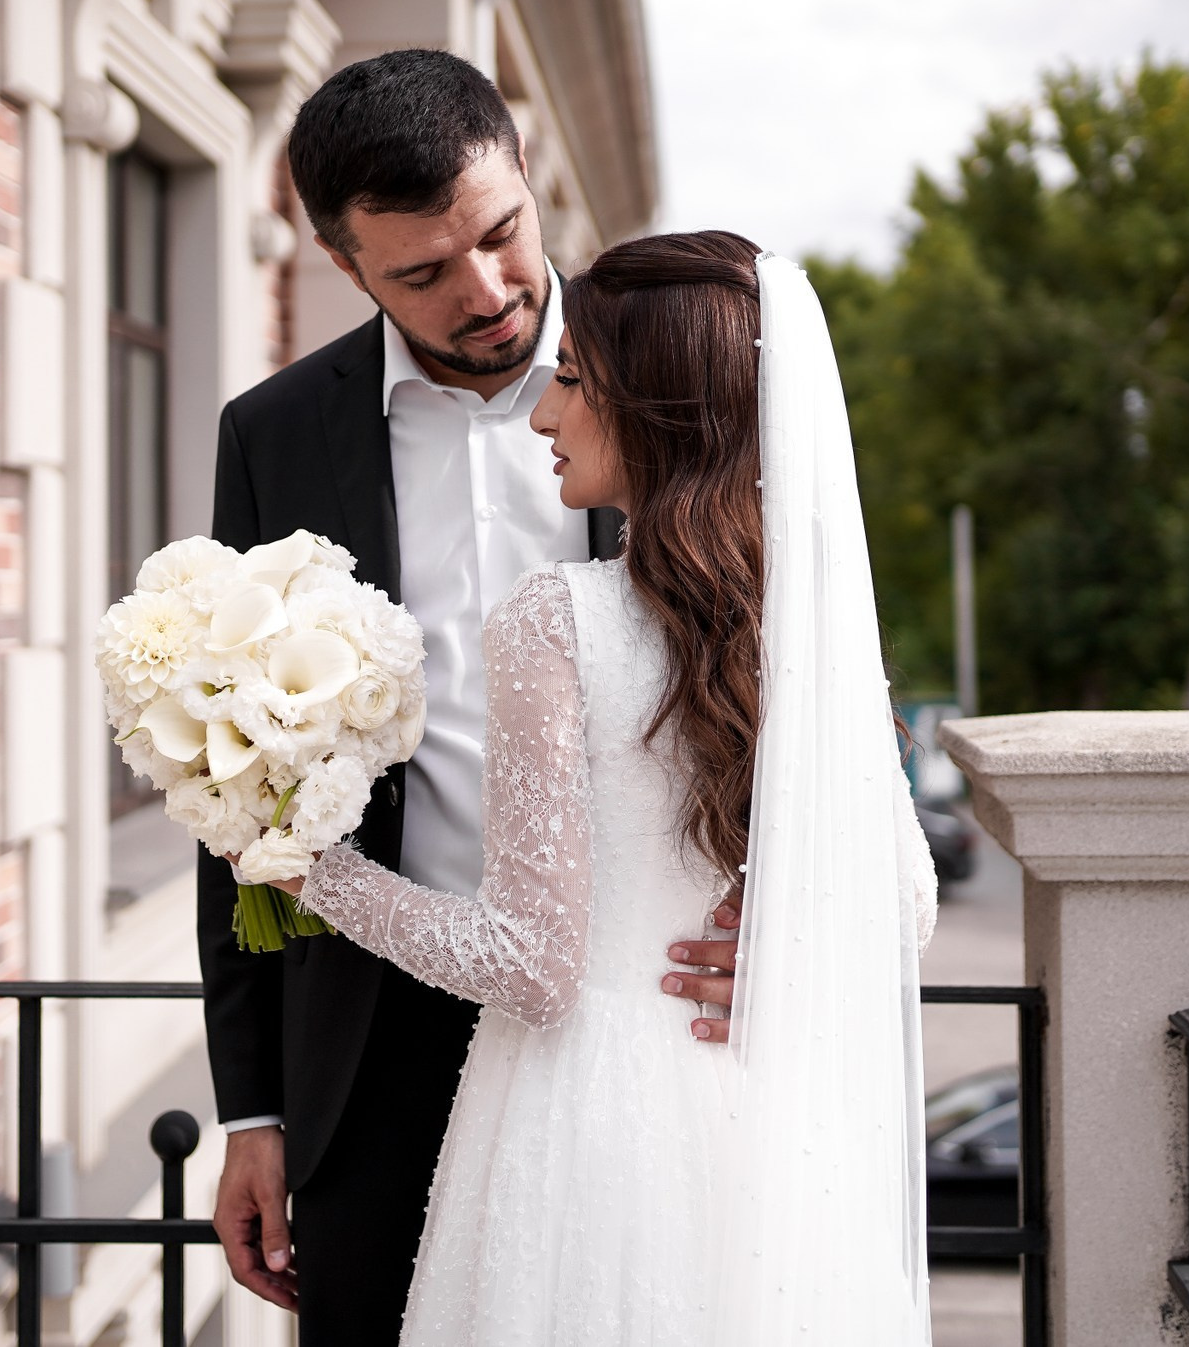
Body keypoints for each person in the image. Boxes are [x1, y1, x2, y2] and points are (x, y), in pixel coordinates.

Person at [267, 230, 940, 1344]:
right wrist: (782, 950)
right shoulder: (812, 626)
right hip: (763, 1139)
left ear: (659, 406)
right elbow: (906, 903)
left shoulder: (558, 620)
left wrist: (308, 871)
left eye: (573, 383)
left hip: (583, 1132)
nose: (543, 414)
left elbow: (531, 966)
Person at [199, 52, 739, 1342]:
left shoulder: (679, 376)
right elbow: (232, 777)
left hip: (636, 1025)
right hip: (368, 1044)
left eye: (500, 235)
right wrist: (252, 1110)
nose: (487, 292)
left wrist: (779, 906)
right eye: (424, 273)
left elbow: (806, 679)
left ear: (526, 179)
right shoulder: (270, 438)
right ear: (347, 267)